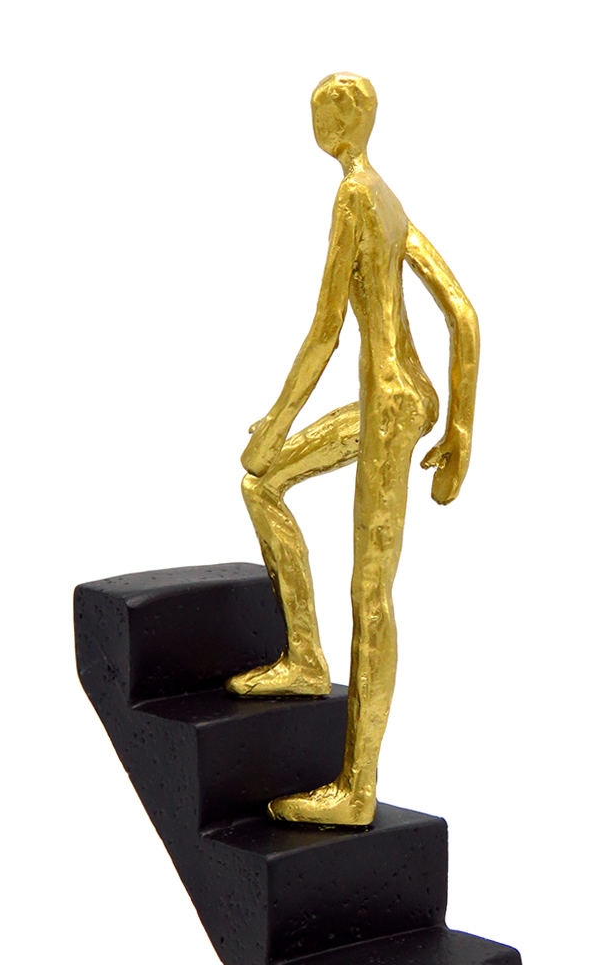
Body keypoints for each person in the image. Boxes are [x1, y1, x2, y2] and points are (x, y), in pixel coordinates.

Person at [227, 72, 479, 826]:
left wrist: (276, 423)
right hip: (399, 401)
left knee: (371, 593)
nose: (315, 117)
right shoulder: (388, 198)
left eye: (323, 108)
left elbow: (326, 331)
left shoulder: (355, 195)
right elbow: (463, 315)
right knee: (263, 486)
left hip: (389, 408)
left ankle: (357, 789)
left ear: (345, 120)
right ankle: (306, 657)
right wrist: (458, 427)